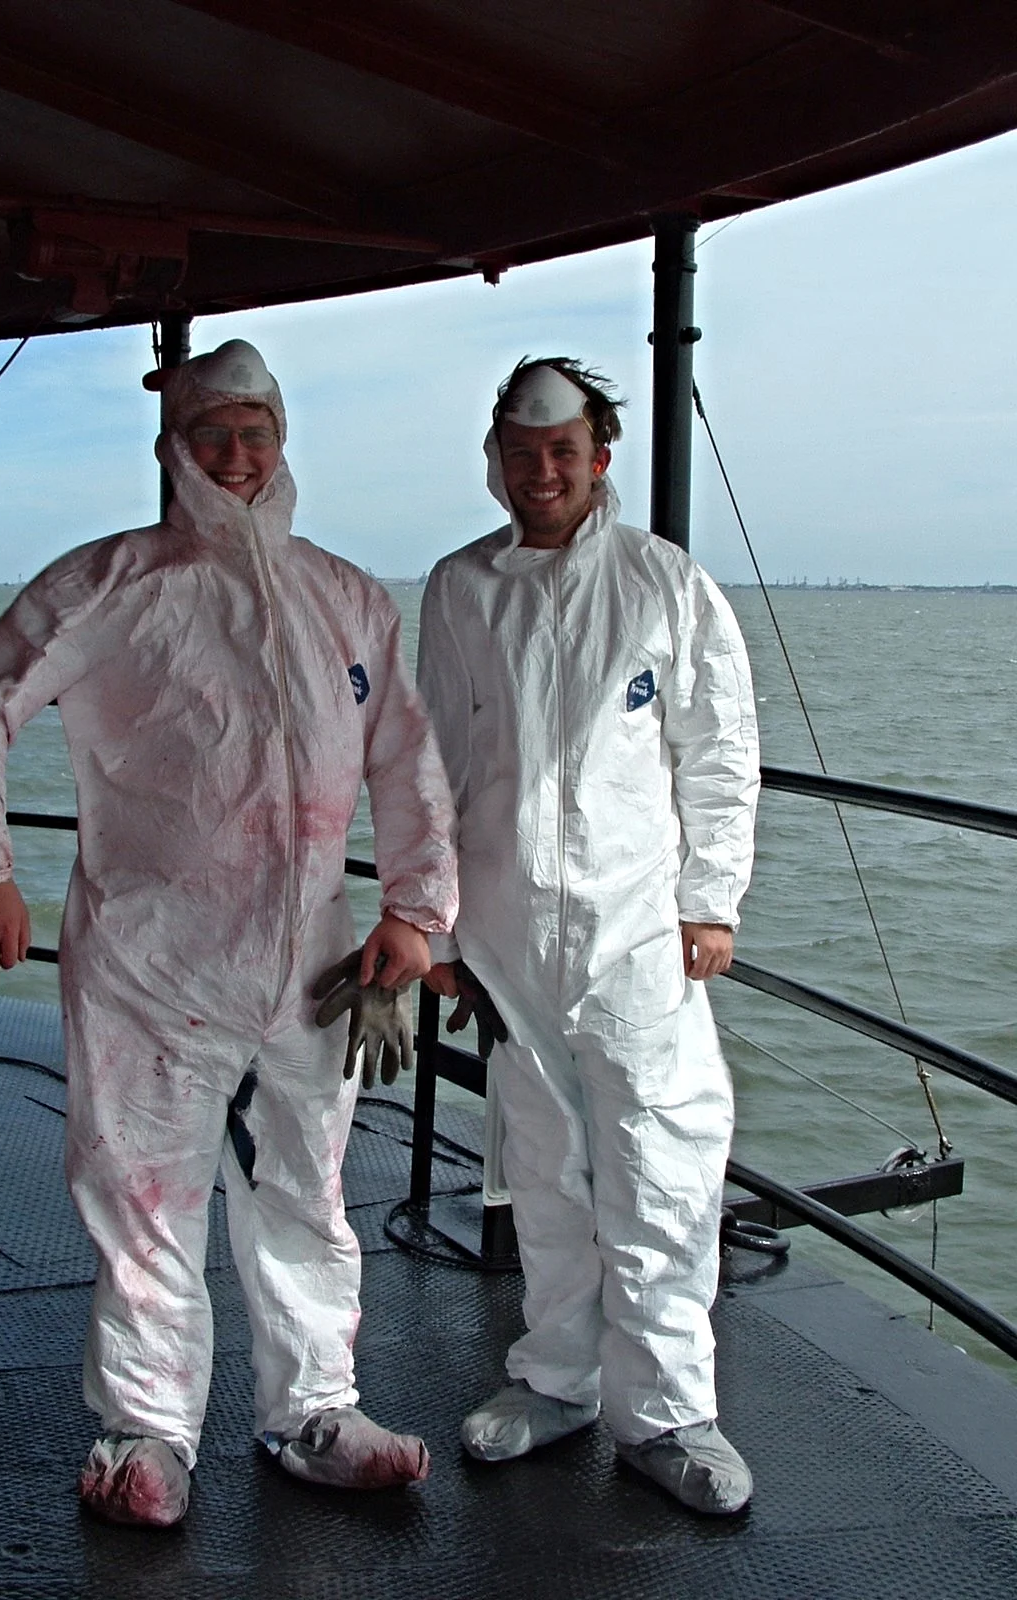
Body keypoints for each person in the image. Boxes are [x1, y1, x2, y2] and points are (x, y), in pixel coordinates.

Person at [0, 339, 458, 1527]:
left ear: (281, 440)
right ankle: (147, 1431)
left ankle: (316, 1406)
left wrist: (417, 915)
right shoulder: (107, 584)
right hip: (151, 962)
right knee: (146, 1194)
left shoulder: (348, 596)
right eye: (213, 435)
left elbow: (408, 760)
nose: (237, 455)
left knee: (309, 1189)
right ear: (177, 451)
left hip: (315, 960)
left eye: (255, 431)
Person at [417, 357, 759, 1516]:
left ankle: (668, 1411)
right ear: (498, 461)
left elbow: (718, 744)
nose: (543, 471)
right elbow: (436, 767)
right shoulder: (460, 589)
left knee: (661, 1169)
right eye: (523, 452)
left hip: (634, 936)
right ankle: (558, 1379)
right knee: (545, 1175)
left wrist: (709, 899)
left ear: (600, 458)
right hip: (509, 939)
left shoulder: (665, 583)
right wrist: (439, 919)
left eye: (563, 451)